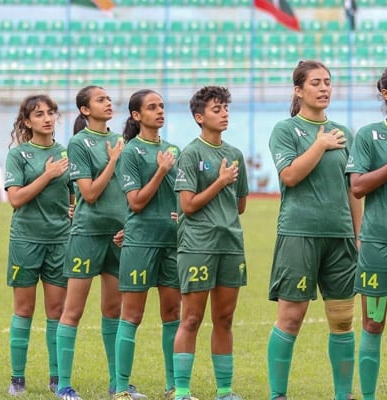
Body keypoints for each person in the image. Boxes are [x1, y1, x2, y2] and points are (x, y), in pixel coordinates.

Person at [266, 60, 361, 400]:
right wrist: (319, 145)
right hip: (299, 233)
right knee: (291, 317)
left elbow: (353, 188)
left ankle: (343, 395)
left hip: (340, 237)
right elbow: (289, 176)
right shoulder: (285, 130)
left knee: (342, 320)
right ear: (298, 90)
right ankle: (278, 395)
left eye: (328, 82)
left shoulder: (344, 133)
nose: (324, 88)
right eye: (316, 83)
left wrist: (357, 233)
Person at [56, 85, 144, 400]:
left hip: (118, 236)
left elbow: (129, 192)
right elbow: (90, 194)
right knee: (73, 310)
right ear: (84, 109)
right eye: (100, 100)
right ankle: (64, 385)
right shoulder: (79, 144)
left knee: (113, 309)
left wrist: (129, 226)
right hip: (87, 234)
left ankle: (117, 384)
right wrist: (112, 161)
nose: (108, 103)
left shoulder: (122, 142)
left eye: (109, 99)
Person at [173, 86, 248, 400]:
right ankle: (181, 391)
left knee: (225, 318)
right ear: (199, 117)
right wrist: (219, 182)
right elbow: (187, 205)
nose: (224, 114)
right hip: (198, 245)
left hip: (230, 243)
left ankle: (225, 391)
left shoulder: (235, 155)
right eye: (217, 109)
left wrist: (225, 187)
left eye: (226, 108)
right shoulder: (190, 153)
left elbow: (240, 204)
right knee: (191, 318)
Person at [113, 89, 183, 400]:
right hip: (141, 241)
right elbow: (136, 202)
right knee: (132, 315)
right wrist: (161, 171)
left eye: (162, 106)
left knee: (172, 313)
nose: (160, 111)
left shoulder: (174, 150)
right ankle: (121, 387)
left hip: (171, 242)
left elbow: (182, 199)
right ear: (136, 116)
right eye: (152, 107)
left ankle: (174, 386)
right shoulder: (131, 153)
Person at [347, 59, 387, 400]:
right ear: (384, 92)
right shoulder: (369, 135)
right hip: (379, 246)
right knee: (373, 323)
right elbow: (357, 187)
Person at [3, 94, 71, 396]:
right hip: (26, 239)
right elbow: (15, 198)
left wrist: (73, 207)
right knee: (24, 310)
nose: (47, 118)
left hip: (60, 240)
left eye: (50, 113)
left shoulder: (66, 153)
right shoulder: (19, 155)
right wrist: (47, 175)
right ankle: (17, 379)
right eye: (39, 114)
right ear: (27, 121)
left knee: (56, 310)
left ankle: (56, 378)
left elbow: (74, 196)